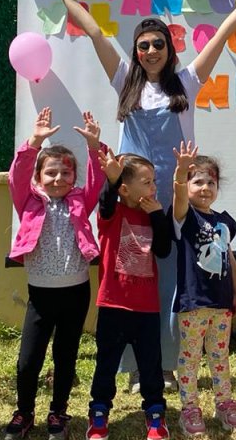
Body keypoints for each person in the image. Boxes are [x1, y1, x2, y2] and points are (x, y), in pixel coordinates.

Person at [38, 0, 236, 392]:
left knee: (170, 284)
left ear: (169, 48)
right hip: (130, 200)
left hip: (171, 203)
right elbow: (96, 34)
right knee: (131, 278)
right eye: (143, 45)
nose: (150, 51)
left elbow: (221, 37)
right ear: (136, 51)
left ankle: (165, 364)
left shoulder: (186, 83)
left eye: (157, 44)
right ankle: (132, 368)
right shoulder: (125, 81)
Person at [3, 108, 104, 440]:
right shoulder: (29, 202)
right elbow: (16, 175)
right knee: (28, 361)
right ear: (39, 177)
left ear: (73, 178)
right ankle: (24, 412)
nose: (59, 179)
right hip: (41, 295)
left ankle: (58, 411)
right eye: (51, 173)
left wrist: (93, 147)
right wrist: (34, 142)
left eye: (65, 173)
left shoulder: (79, 202)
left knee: (65, 355)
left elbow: (98, 179)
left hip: (76, 292)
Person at [86, 151, 174, 440]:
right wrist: (111, 179)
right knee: (106, 364)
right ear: (125, 189)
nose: (153, 188)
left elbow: (162, 249)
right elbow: (105, 203)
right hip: (113, 304)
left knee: (151, 366)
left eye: (154, 181)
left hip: (146, 309)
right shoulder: (112, 215)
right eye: (147, 182)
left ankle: (156, 417)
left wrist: (157, 215)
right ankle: (99, 414)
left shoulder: (152, 215)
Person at [169, 143, 236, 435]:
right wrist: (178, 174)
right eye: (197, 181)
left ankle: (224, 403)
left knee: (219, 356)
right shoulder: (185, 218)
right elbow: (178, 199)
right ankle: (189, 408)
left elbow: (230, 258)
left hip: (221, 304)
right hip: (193, 303)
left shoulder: (223, 222)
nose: (205, 187)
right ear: (187, 186)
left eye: (210, 182)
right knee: (190, 358)